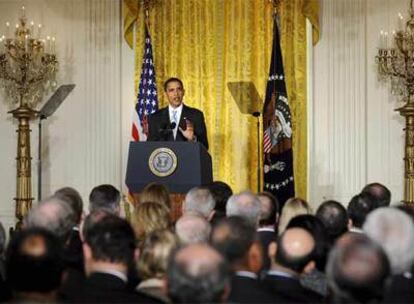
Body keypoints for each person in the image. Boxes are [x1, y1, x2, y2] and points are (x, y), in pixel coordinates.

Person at [148, 77, 208, 149]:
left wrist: (192, 139)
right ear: (165, 94)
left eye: (179, 89)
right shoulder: (155, 117)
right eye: (171, 90)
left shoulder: (196, 115)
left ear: (183, 92)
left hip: (187, 159)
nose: (176, 94)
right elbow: (150, 146)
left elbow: (205, 146)